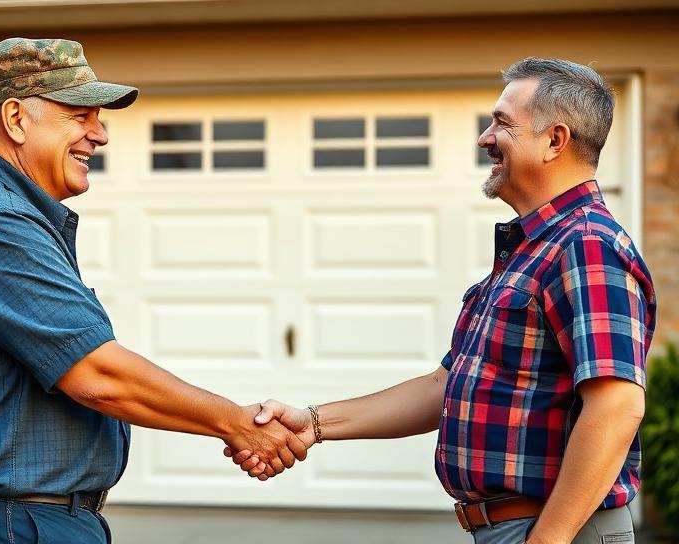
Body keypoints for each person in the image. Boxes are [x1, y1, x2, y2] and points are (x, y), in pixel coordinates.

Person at [227, 57, 656, 544]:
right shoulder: (534, 250)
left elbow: (617, 406)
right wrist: (315, 424)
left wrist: (547, 540)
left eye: (502, 122)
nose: (484, 138)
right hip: (515, 528)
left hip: (558, 531)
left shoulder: (586, 245)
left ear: (555, 140)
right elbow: (444, 386)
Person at [0, 37, 305, 544]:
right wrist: (237, 424)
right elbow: (98, 374)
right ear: (17, 119)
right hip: (8, 526)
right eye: (80, 114)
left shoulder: (6, 215)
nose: (100, 135)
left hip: (19, 522)